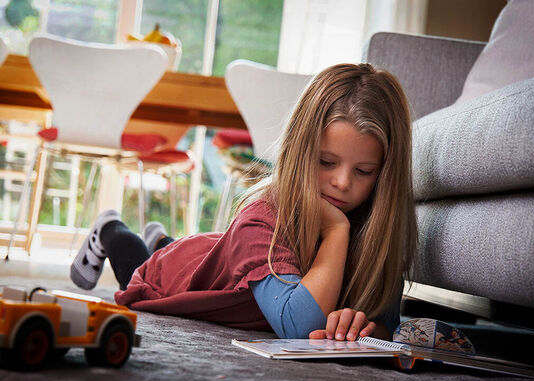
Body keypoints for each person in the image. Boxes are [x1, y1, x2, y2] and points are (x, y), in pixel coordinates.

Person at [70, 63, 417, 341]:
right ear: (299, 152)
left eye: (365, 171)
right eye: (326, 162)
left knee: (206, 252)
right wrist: (337, 230)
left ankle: (161, 240)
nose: (342, 183)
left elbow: (386, 324)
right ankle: (111, 229)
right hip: (174, 278)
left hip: (224, 262)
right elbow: (296, 326)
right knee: (139, 272)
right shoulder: (262, 217)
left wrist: (363, 326)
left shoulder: (377, 228)